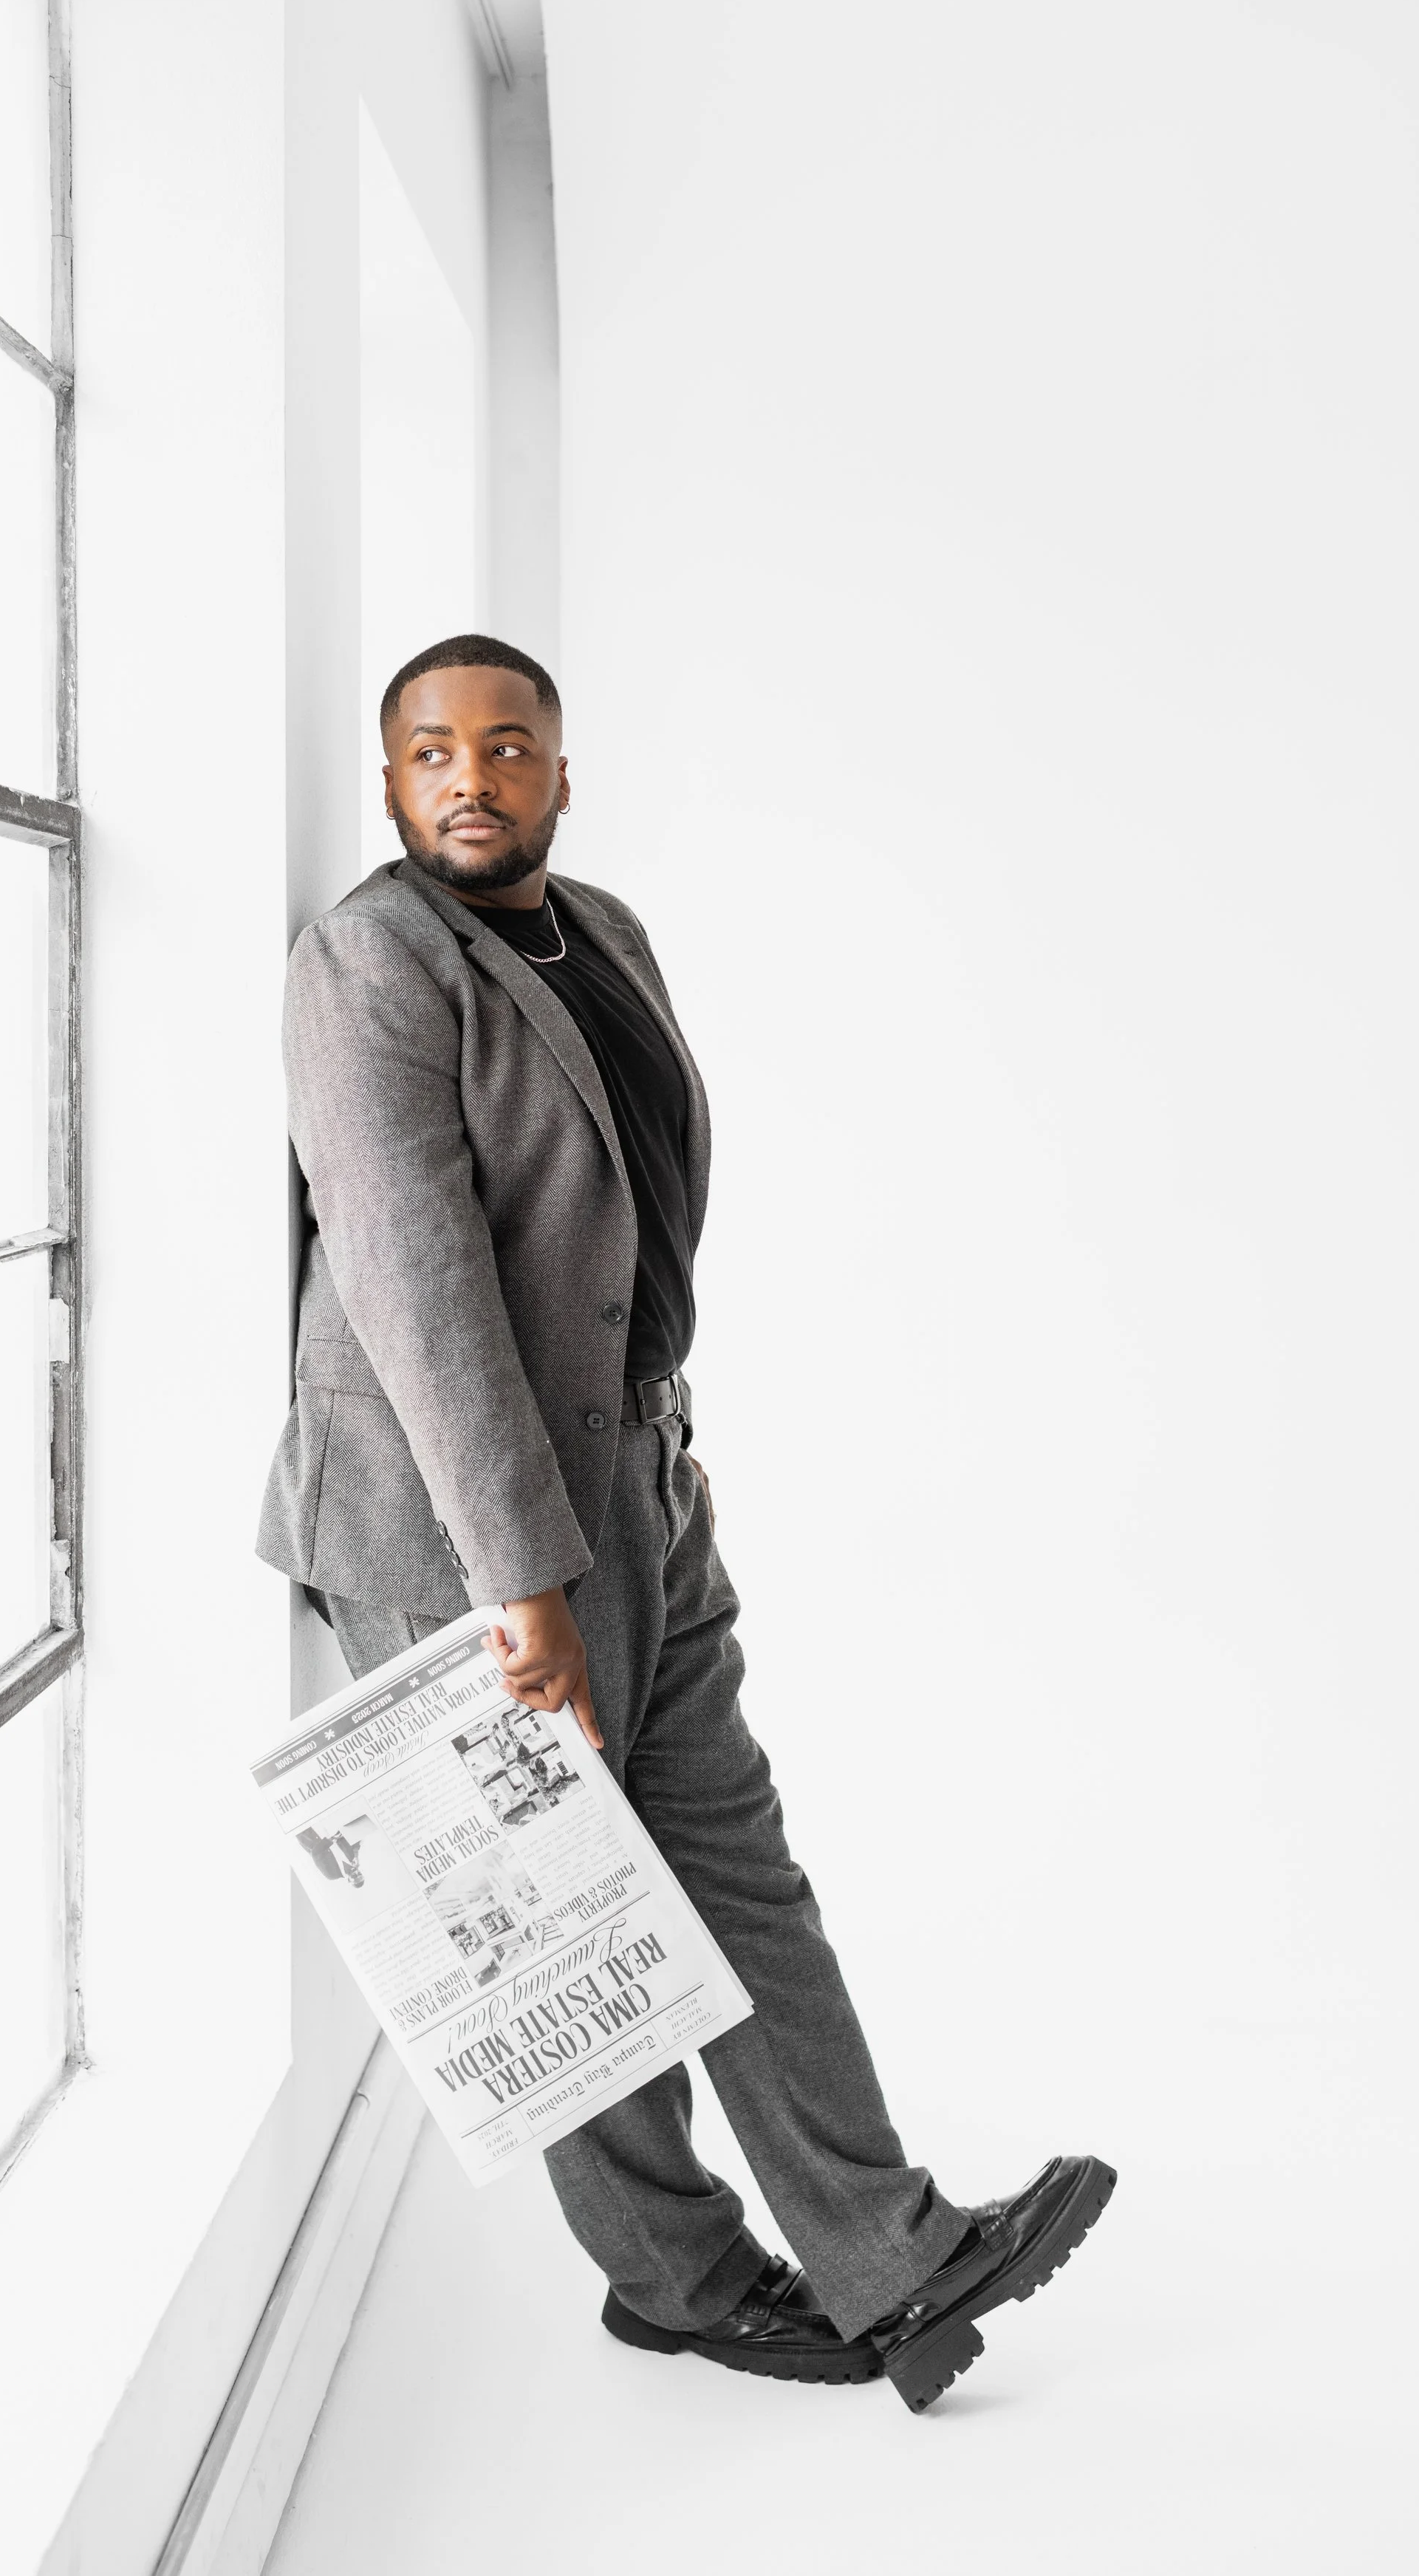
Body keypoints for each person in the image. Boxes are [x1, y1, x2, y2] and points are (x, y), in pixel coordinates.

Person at [257, 630, 1115, 2411]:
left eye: (508, 748)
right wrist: (521, 1582)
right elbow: (420, 1294)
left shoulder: (605, 936)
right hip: (452, 1519)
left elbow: (625, 1217)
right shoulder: (368, 967)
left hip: (634, 1469)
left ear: (562, 775)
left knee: (730, 1860)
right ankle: (677, 2277)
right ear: (392, 778)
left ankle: (890, 2247)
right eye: (432, 753)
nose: (470, 779)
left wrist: (652, 1442)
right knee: (559, 1919)